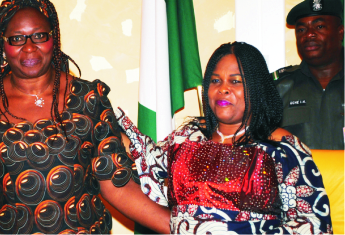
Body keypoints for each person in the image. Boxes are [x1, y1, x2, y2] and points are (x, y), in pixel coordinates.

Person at [0, 0, 170, 234]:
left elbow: (116, 184)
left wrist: (182, 227)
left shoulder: (89, 100)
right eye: (17, 38)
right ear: (2, 45)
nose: (29, 47)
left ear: (54, 40)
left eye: (39, 36)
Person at [115, 42, 332, 234]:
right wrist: (103, 117)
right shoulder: (187, 138)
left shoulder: (281, 146)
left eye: (235, 81)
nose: (223, 89)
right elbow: (143, 158)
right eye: (215, 80)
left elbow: (313, 225)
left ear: (256, 89)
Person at [272, 0, 344, 150]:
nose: (308, 34)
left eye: (319, 27)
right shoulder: (278, 89)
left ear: (340, 32)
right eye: (301, 29)